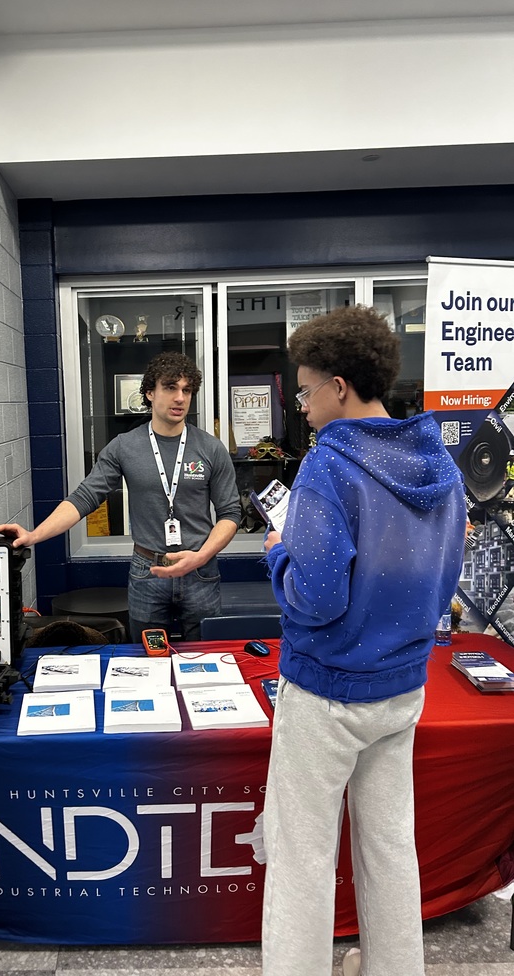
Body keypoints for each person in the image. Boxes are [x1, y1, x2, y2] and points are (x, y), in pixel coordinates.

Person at [260, 306, 466, 976]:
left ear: (339, 386)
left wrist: (278, 555)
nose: (302, 406)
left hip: (327, 696)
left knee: (302, 862)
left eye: (305, 390)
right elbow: (443, 588)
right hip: (403, 690)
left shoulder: (329, 469)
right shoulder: (440, 464)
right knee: (389, 848)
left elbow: (316, 599)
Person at [0, 351, 241, 642]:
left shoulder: (210, 448)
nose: (180, 398)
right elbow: (84, 497)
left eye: (186, 390)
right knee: (147, 659)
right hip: (148, 570)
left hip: (201, 570)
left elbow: (230, 513)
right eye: (170, 387)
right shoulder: (124, 447)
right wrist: (33, 535)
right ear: (149, 392)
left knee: (204, 656)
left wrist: (200, 557)